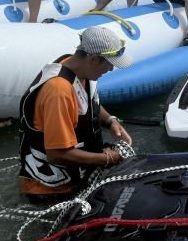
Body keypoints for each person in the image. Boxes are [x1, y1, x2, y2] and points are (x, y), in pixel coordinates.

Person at [18, 26, 133, 201]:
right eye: (110, 64)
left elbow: (87, 102)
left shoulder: (77, 66)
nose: (110, 70)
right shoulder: (59, 92)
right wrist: (108, 159)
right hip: (52, 190)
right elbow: (57, 154)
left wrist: (111, 121)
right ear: (94, 59)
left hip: (79, 176)